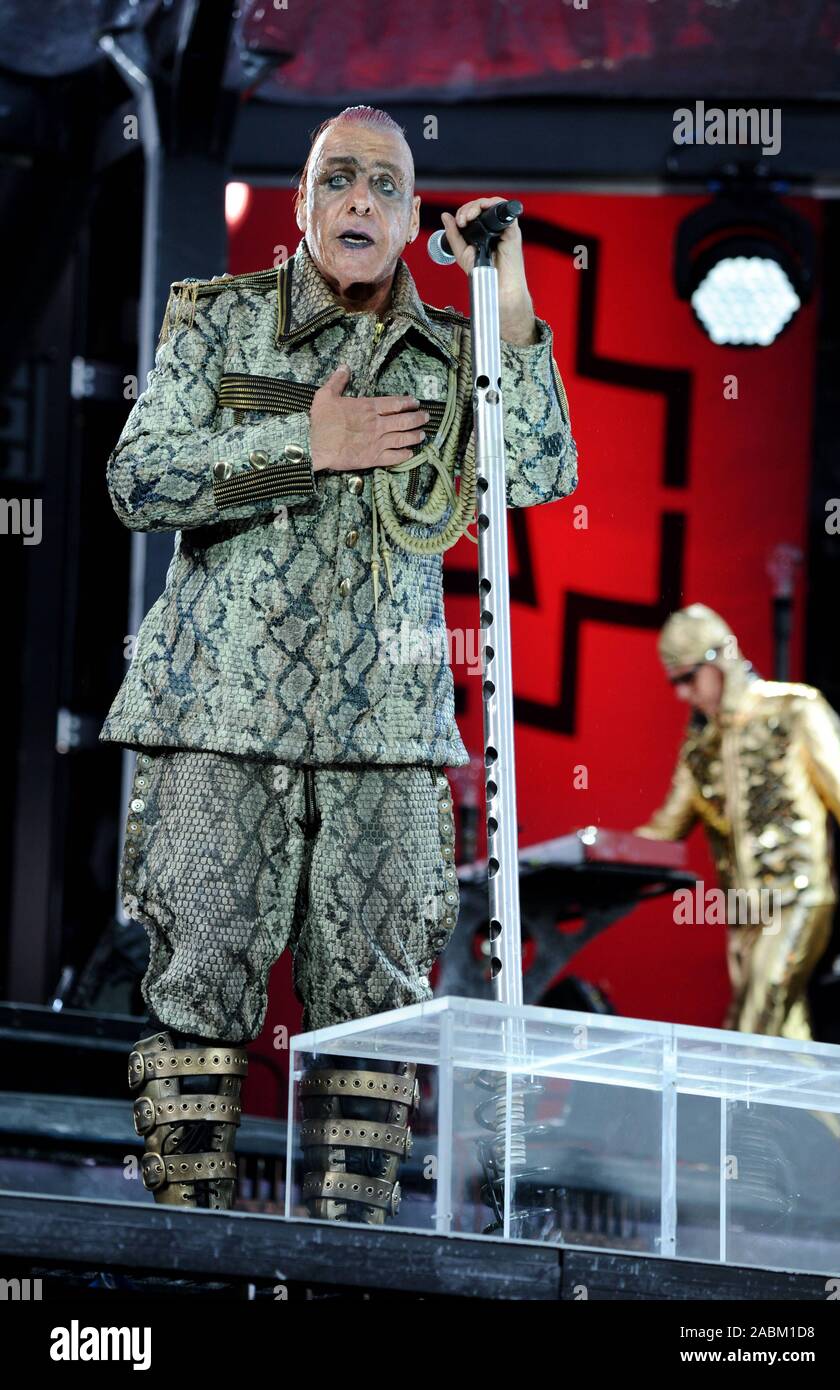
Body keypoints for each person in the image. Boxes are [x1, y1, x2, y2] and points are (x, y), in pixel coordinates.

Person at [101, 105, 578, 1217]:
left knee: (375, 1009)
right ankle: (188, 1258)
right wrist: (302, 446)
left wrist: (508, 301)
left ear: (413, 221)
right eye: (337, 179)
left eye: (383, 185)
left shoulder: (456, 350)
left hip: (387, 732)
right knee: (198, 991)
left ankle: (346, 1262)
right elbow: (139, 479)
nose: (359, 200)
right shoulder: (221, 330)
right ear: (306, 203)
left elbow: (541, 471)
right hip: (218, 718)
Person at [636, 603, 840, 1042]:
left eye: (688, 677)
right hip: (743, 916)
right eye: (675, 682)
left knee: (749, 1039)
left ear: (721, 657)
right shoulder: (699, 747)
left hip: (796, 896)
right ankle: (822, 1114)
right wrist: (588, 855)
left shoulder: (796, 710)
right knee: (785, 1049)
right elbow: (665, 829)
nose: (684, 694)